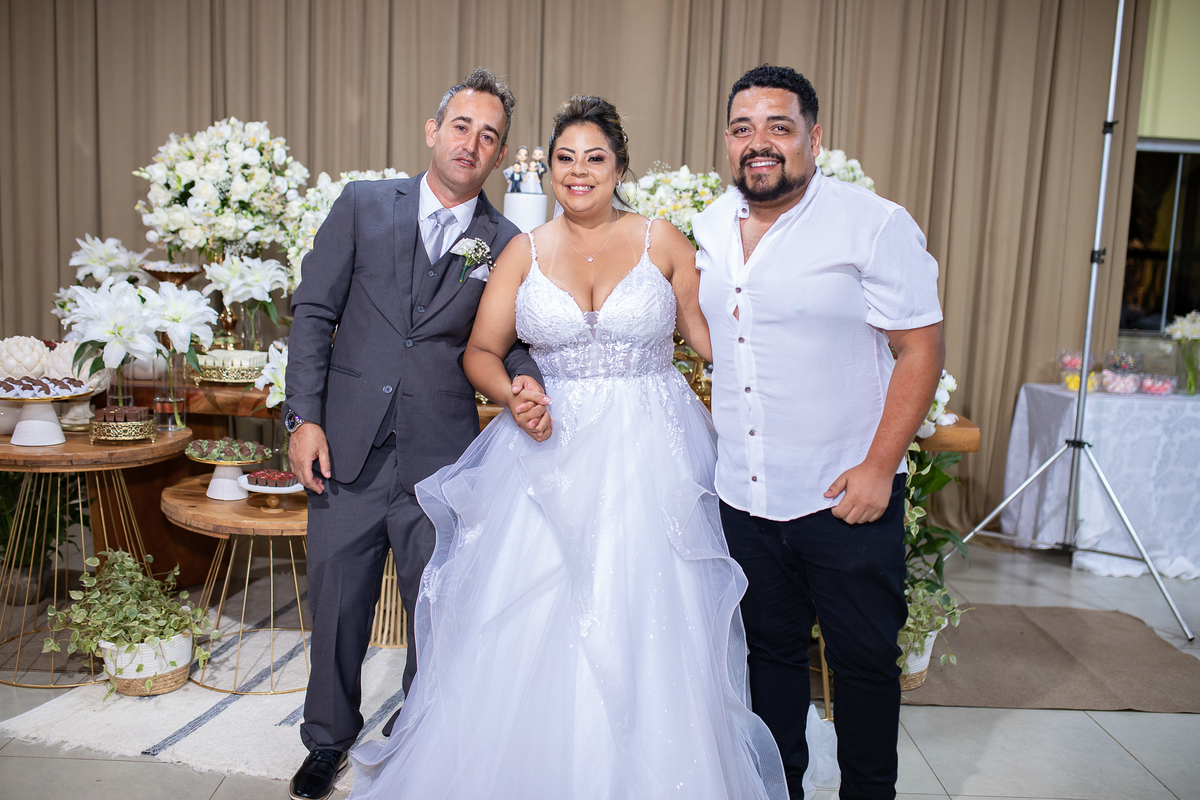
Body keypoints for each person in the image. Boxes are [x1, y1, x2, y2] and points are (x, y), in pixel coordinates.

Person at [348, 95, 788, 800]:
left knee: (646, 607)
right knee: (529, 611)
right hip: (545, 449)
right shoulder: (522, 250)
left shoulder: (663, 242)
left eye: (595, 158)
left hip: (652, 451)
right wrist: (513, 393)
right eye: (565, 158)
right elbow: (481, 352)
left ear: (619, 169)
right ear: (548, 169)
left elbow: (713, 344)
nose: (579, 171)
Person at [283, 68, 552, 800]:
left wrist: (527, 381)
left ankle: (420, 727)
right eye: (461, 126)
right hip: (345, 445)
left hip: (440, 454)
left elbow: (509, 341)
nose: (472, 143)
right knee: (337, 601)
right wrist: (303, 418)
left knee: (435, 604)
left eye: (489, 136)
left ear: (501, 156)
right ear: (434, 131)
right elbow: (313, 314)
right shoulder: (364, 205)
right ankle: (326, 738)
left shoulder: (506, 242)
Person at [692, 64, 945, 800]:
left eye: (779, 126)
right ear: (728, 140)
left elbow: (920, 350)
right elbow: (724, 335)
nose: (759, 143)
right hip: (745, 496)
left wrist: (879, 467)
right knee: (769, 661)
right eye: (743, 128)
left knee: (862, 666)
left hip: (844, 495)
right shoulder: (711, 224)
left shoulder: (873, 224)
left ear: (814, 137)